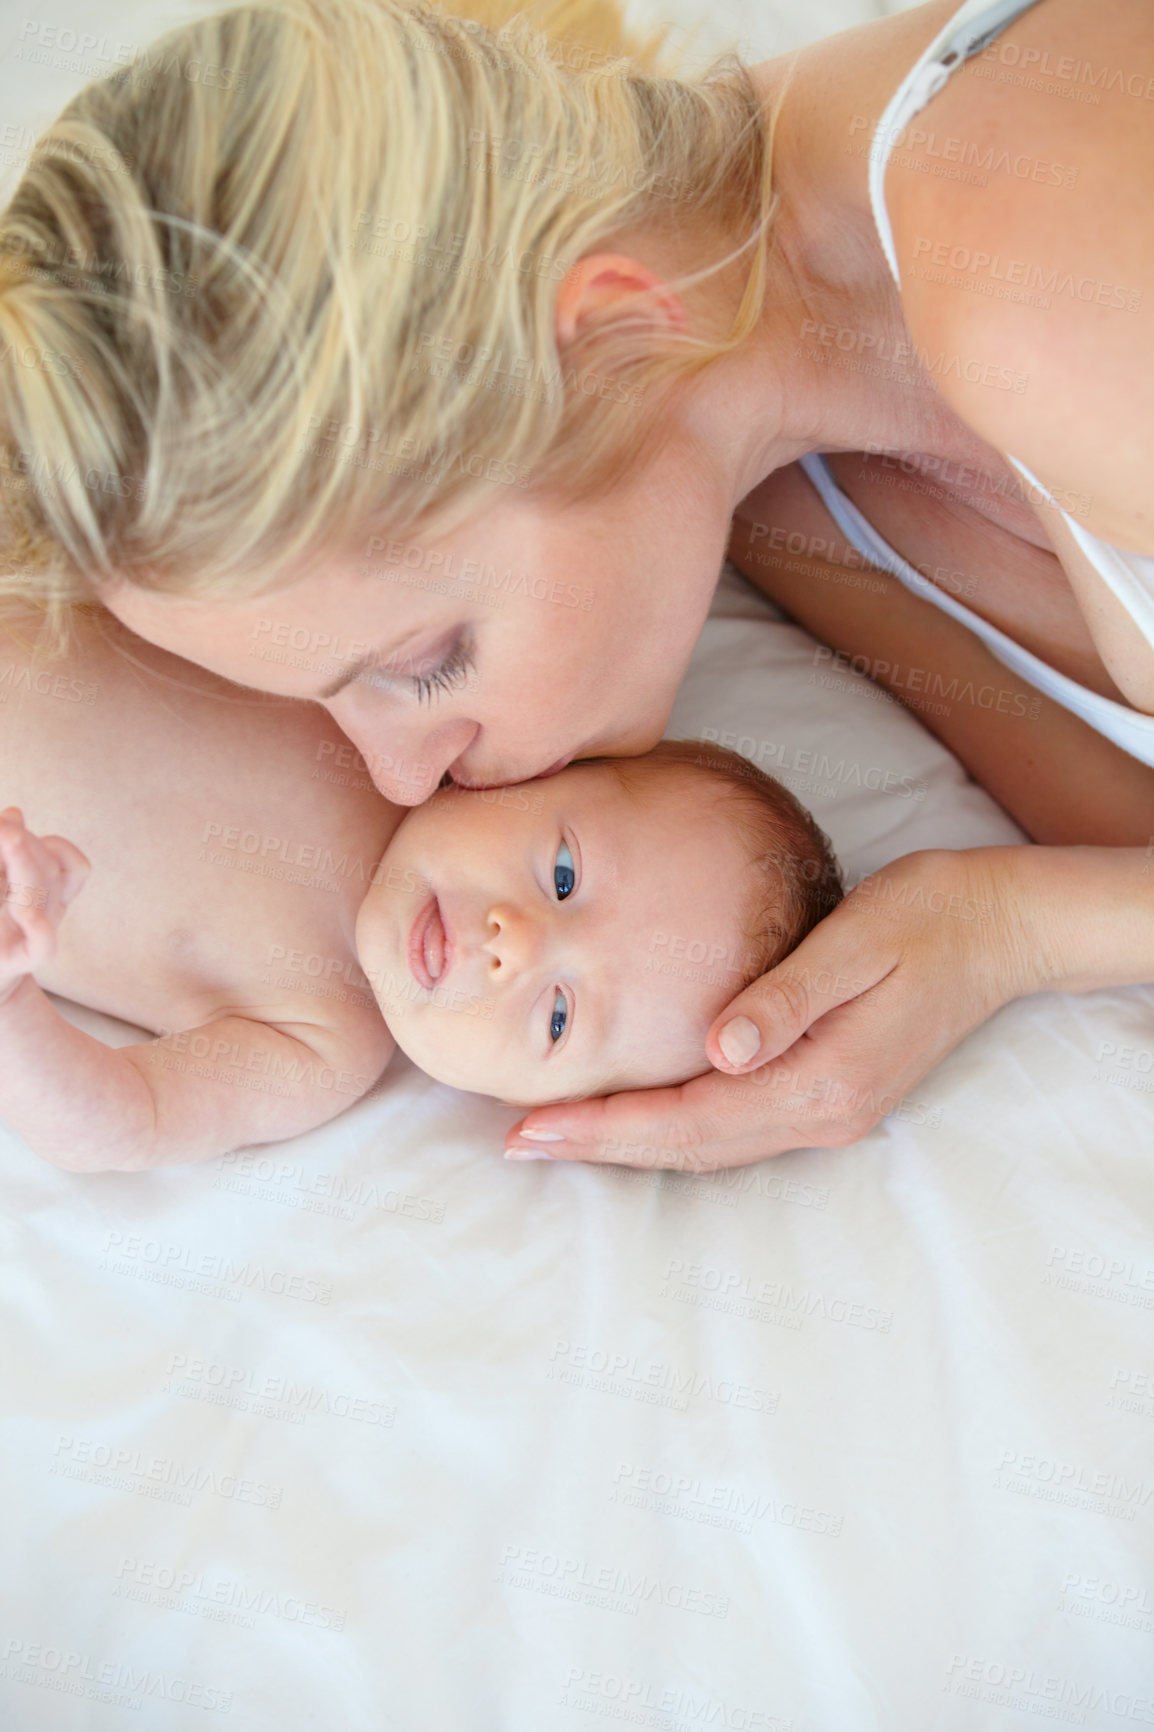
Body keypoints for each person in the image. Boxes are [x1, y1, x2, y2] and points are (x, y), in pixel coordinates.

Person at [0, 0, 1151, 1170]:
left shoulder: (1035, 270)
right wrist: (983, 927)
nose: (400, 776)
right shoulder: (770, 494)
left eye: (420, 662)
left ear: (607, 333)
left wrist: (1017, 929)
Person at [0, 608, 841, 1168]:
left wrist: (11, 1002)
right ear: (541, 769)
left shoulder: (316, 1046)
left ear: (545, 1102)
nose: (515, 942)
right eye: (562, 875)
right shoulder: (391, 699)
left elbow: (122, 1121)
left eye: (559, 1016)